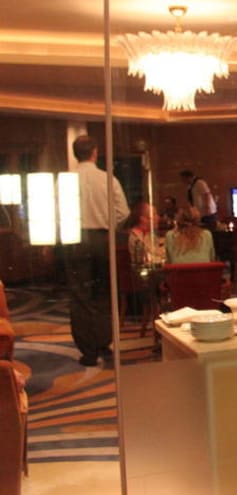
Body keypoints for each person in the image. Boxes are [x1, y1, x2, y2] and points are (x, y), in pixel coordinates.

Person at [66, 134, 129, 367]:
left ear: (75, 154)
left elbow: (60, 213)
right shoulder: (108, 179)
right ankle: (103, 341)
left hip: (76, 240)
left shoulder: (66, 180)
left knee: (80, 295)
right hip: (103, 239)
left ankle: (88, 350)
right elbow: (123, 212)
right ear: (95, 152)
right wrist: (109, 226)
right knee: (104, 292)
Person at [120, 201, 163, 269]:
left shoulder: (150, 235)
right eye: (154, 214)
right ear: (143, 219)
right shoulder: (133, 238)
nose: (158, 217)